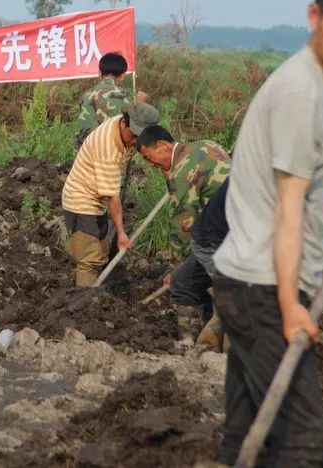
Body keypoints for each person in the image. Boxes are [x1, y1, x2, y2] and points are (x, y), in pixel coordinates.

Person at [212, 0, 323, 464]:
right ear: (315, 17)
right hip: (264, 289)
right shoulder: (301, 91)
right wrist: (291, 305)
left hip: (248, 282)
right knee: (303, 441)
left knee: (248, 433)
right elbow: (288, 211)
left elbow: (303, 163)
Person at [136, 125, 231, 350]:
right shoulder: (207, 145)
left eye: (150, 158)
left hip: (221, 236)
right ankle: (212, 336)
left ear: (163, 146)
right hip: (238, 227)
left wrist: (174, 267)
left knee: (182, 280)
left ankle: (192, 344)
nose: (151, 165)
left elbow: (183, 225)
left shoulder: (181, 172)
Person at [62, 102, 160, 286]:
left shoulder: (125, 126)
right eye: (134, 135)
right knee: (90, 259)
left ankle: (95, 294)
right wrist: (121, 234)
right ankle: (85, 304)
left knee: (101, 250)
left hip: (96, 200)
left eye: (141, 137)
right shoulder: (107, 149)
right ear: (123, 123)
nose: (136, 142)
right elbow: (113, 198)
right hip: (80, 200)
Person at [75, 52, 147, 148]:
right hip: (111, 153)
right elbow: (132, 126)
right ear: (122, 76)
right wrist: (139, 104)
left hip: (86, 152)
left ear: (100, 73)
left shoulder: (86, 95)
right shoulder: (125, 96)